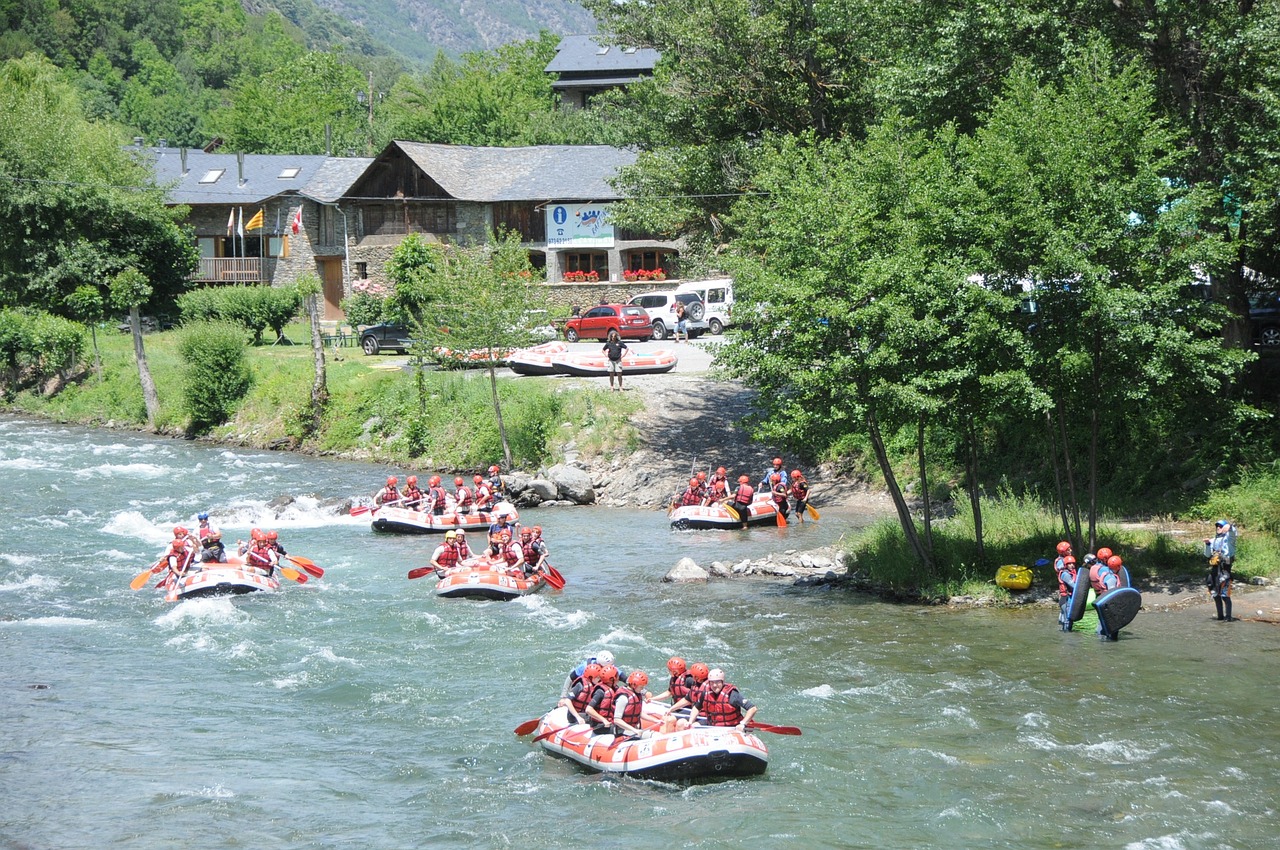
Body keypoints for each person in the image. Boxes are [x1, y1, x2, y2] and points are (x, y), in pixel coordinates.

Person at [689, 668, 758, 732]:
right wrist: (690, 722)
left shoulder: (732, 694)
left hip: (731, 727)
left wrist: (742, 723)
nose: (714, 685)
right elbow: (696, 707)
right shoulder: (705, 693)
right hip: (713, 725)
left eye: (717, 682)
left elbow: (752, 708)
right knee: (694, 726)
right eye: (712, 683)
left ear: (722, 682)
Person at [1204, 519, 1237, 621]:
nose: (1218, 527)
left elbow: (1233, 532)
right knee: (1215, 595)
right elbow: (1207, 555)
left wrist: (1230, 527)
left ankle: (1228, 617)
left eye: (1220, 526)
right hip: (1214, 571)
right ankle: (1220, 617)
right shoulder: (1213, 540)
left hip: (1225, 571)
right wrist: (1207, 545)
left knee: (1225, 596)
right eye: (1217, 526)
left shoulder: (1229, 539)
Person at [611, 671, 650, 738]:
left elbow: (639, 714)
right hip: (622, 732)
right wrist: (634, 730)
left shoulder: (636, 694)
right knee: (654, 736)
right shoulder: (623, 698)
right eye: (641, 687)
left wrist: (656, 721)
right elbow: (617, 720)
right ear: (633, 685)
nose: (642, 689)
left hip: (633, 731)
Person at [584, 665, 620, 735]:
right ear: (612, 679)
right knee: (621, 730)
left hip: (610, 723)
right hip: (600, 726)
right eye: (617, 676)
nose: (619, 678)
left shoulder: (614, 689)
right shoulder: (600, 692)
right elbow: (588, 709)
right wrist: (603, 720)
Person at [1054, 546, 1079, 631]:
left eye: (1073, 564)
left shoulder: (1070, 572)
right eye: (1069, 564)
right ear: (1065, 565)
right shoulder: (1065, 574)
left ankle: (1066, 634)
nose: (1072, 566)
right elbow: (1074, 586)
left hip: (1069, 598)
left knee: (1068, 620)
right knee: (1067, 620)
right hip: (1065, 599)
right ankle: (1067, 638)